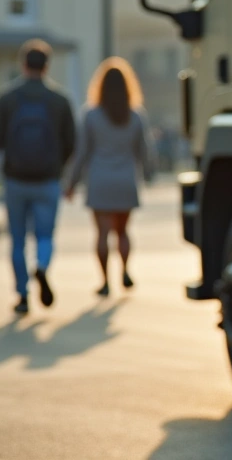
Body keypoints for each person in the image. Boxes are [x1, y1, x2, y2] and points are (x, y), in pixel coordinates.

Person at [0, 39, 76, 315]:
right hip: (47, 180)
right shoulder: (59, 100)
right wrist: (59, 167)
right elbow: (71, 142)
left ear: (22, 65)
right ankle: (41, 267)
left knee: (17, 240)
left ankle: (22, 293)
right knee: (45, 234)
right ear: (47, 66)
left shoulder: (8, 98)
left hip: (16, 179)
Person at [66, 57, 154, 296]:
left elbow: (82, 152)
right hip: (125, 180)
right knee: (123, 232)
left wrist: (71, 183)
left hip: (100, 180)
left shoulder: (91, 116)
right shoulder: (136, 116)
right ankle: (125, 271)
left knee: (102, 233)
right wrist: (147, 174)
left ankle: (105, 281)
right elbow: (144, 150)